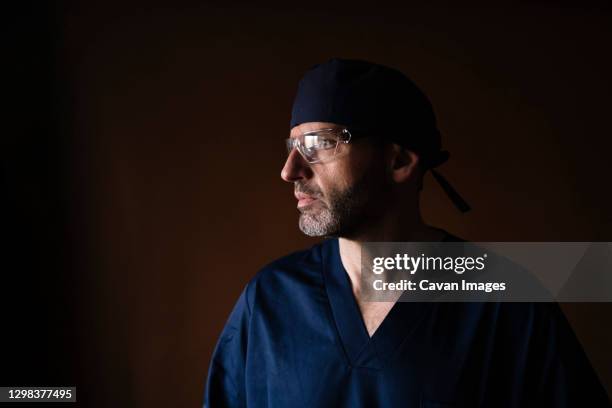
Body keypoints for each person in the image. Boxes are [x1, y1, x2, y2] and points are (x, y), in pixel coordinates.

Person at [204, 58, 610, 407]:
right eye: (293, 146)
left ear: (398, 161)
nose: (290, 170)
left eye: (320, 144)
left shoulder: (504, 304)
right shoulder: (271, 300)